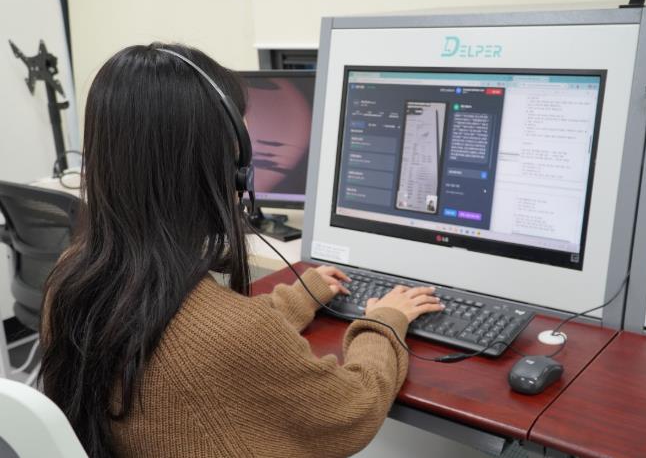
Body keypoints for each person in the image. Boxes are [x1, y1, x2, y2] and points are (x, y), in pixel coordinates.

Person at [39, 44, 444, 458]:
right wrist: (383, 322)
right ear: (226, 170)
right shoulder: (231, 335)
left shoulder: (73, 281)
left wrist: (297, 298)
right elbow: (355, 410)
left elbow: (208, 339)